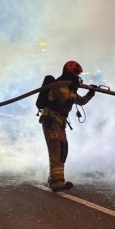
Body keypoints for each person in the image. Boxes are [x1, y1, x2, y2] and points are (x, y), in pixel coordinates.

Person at [39, 60, 95, 192]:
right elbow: (66, 100)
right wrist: (74, 88)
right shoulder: (61, 84)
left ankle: (55, 179)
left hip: (58, 122)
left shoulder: (69, 86)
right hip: (52, 122)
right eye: (76, 73)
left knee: (62, 151)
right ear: (71, 71)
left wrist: (91, 93)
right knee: (57, 152)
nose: (78, 77)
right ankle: (57, 183)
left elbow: (79, 101)